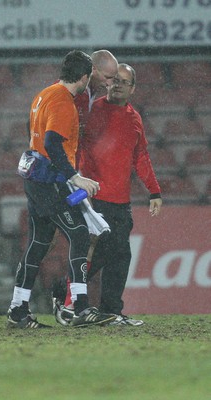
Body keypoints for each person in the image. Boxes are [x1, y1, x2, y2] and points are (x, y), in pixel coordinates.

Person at [7, 50, 116, 329]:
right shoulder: (64, 103)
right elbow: (53, 142)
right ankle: (80, 307)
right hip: (49, 181)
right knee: (79, 233)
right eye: (88, 76)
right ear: (83, 77)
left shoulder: (44, 94)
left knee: (38, 244)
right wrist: (75, 178)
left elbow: (35, 133)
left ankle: (18, 309)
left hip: (34, 178)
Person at [53, 63, 162, 326]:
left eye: (125, 81)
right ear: (108, 82)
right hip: (92, 197)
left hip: (120, 203)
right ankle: (69, 302)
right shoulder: (90, 108)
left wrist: (154, 191)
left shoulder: (134, 118)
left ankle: (106, 309)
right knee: (92, 253)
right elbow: (71, 141)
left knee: (119, 255)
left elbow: (142, 156)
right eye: (116, 80)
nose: (119, 85)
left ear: (133, 88)